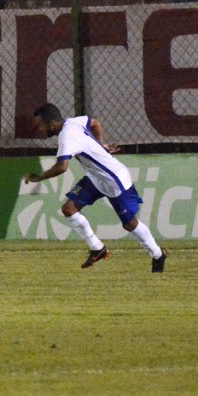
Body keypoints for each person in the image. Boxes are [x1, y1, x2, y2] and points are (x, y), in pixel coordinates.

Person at [25, 103, 167, 272]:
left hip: (114, 179)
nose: (40, 129)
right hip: (96, 178)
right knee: (69, 209)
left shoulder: (66, 137)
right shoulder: (73, 122)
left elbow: (62, 167)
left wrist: (39, 177)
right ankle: (97, 248)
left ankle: (158, 254)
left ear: (52, 122)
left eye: (41, 125)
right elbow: (96, 123)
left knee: (129, 224)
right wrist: (101, 146)